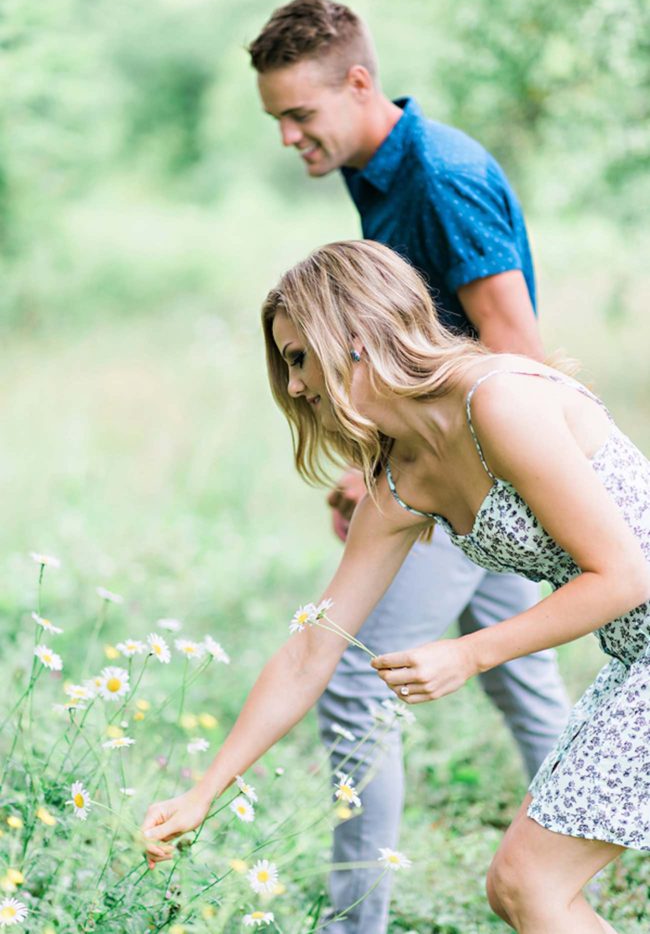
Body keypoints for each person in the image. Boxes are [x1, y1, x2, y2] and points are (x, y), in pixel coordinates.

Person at [143, 240, 650, 934]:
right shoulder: (401, 480)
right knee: (522, 888)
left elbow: (624, 575)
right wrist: (204, 791)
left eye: (299, 358)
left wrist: (469, 653)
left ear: (353, 335)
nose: (292, 386)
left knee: (529, 883)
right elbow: (310, 652)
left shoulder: (497, 400)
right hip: (635, 660)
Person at [247, 0, 570, 930]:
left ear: (359, 84)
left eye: (299, 115)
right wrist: (373, 460)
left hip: (479, 472)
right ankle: (607, 846)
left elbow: (518, 356)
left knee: (352, 681)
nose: (287, 136)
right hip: (439, 460)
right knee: (526, 685)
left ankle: (358, 926)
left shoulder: (442, 177)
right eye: (275, 120)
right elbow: (413, 340)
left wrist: (407, 479)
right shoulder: (376, 171)